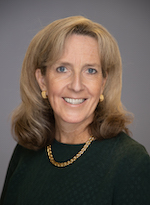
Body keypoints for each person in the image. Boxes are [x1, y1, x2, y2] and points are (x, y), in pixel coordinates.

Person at [0, 16, 150, 205]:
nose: (77, 86)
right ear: (42, 80)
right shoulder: (26, 150)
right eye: (63, 69)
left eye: (90, 71)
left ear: (103, 83)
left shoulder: (131, 163)